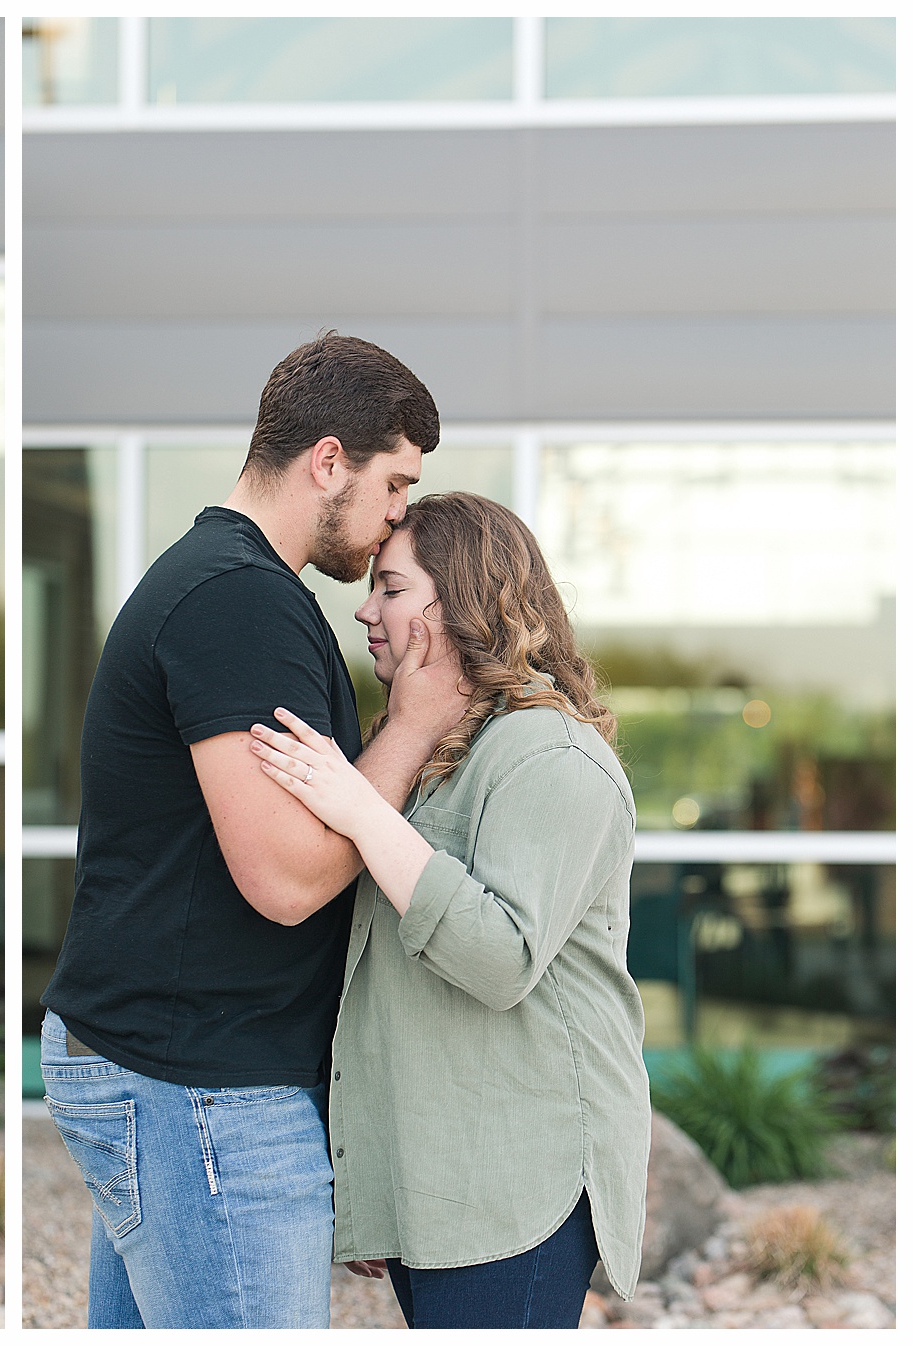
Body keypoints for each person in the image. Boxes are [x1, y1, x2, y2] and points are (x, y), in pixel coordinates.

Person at [38, 333, 470, 1328]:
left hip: (178, 1073)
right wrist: (409, 726)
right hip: (200, 1085)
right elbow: (283, 875)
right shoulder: (238, 600)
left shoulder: (229, 585)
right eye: (394, 481)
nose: (400, 512)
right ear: (329, 460)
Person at [249, 491, 650, 1329]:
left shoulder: (552, 754)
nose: (365, 609)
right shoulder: (439, 753)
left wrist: (357, 809)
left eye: (391, 589)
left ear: (463, 603)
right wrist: (376, 1181)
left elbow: (500, 957)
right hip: (437, 1182)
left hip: (516, 1188)